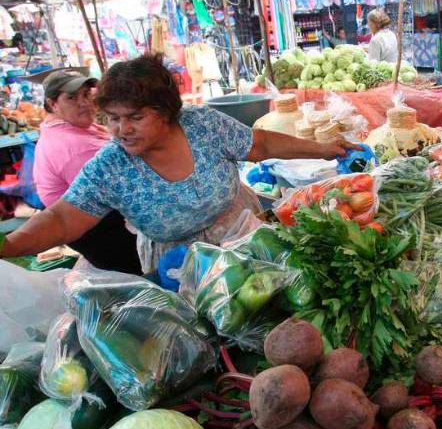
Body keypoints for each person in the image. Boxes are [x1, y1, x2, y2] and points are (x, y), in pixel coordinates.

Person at [0, 54, 357, 273]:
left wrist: (322, 148)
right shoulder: (110, 166)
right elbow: (62, 217)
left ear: (166, 111)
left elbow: (259, 144)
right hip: (181, 267)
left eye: (135, 117)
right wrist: (12, 245)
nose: (121, 130)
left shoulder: (203, 125)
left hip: (247, 237)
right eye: (112, 118)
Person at [33, 70, 142, 275]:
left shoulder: (71, 129)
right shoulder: (74, 147)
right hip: (100, 232)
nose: (84, 102)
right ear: (52, 104)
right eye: (72, 97)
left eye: (85, 94)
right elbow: (126, 190)